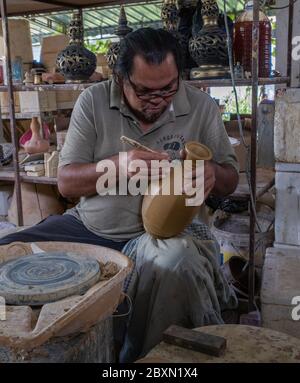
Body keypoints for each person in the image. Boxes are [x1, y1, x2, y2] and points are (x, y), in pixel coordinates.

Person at [0, 28, 239, 362]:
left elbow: (231, 181)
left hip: (162, 235)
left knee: (175, 262)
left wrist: (213, 172)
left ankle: (144, 360)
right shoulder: (94, 101)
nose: (157, 100)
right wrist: (117, 166)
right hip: (89, 228)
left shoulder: (200, 107)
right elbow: (67, 183)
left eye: (168, 89)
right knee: (7, 253)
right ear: (120, 78)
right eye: (143, 91)